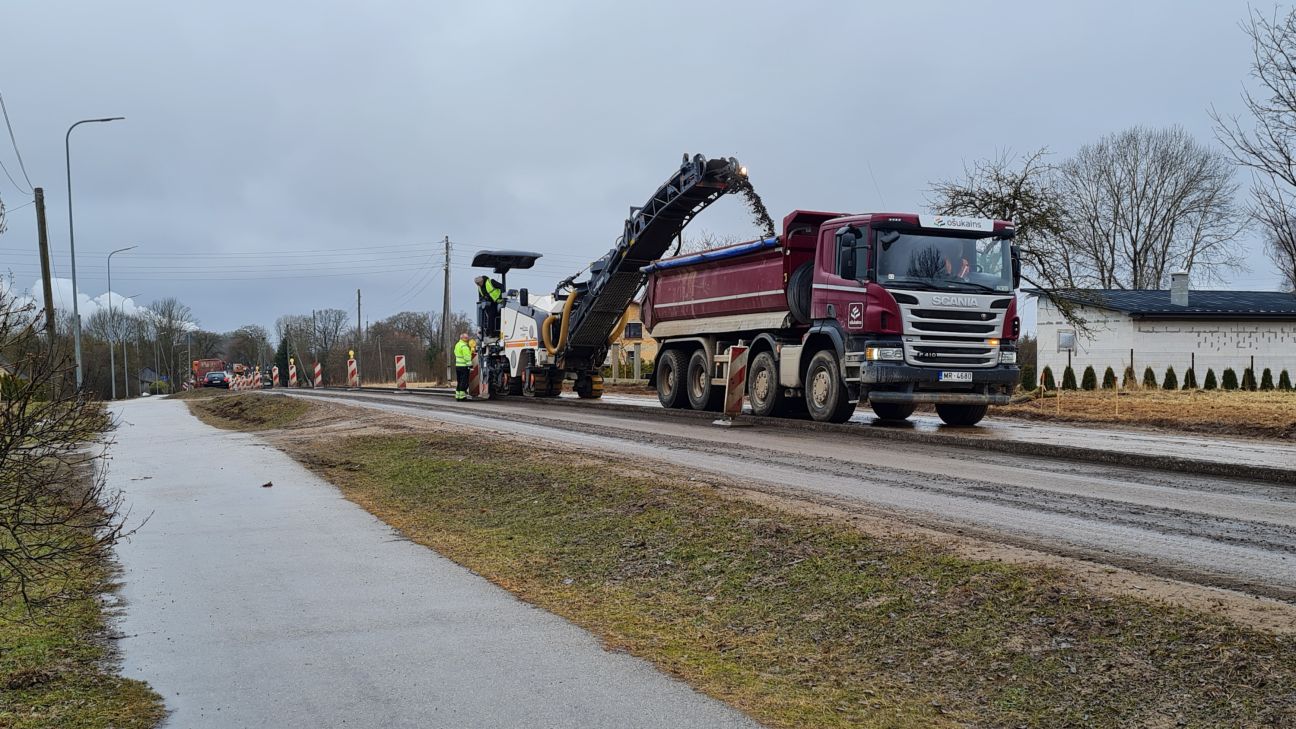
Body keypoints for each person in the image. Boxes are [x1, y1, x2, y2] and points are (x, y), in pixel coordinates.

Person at [454, 332, 473, 401]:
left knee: (459, 381)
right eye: (466, 338)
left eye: (467, 337)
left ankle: (457, 396)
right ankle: (462, 397)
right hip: (464, 366)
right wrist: (470, 365)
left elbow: (456, 353)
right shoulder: (464, 346)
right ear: (462, 338)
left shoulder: (457, 345)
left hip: (458, 366)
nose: (467, 339)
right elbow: (467, 357)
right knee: (464, 382)